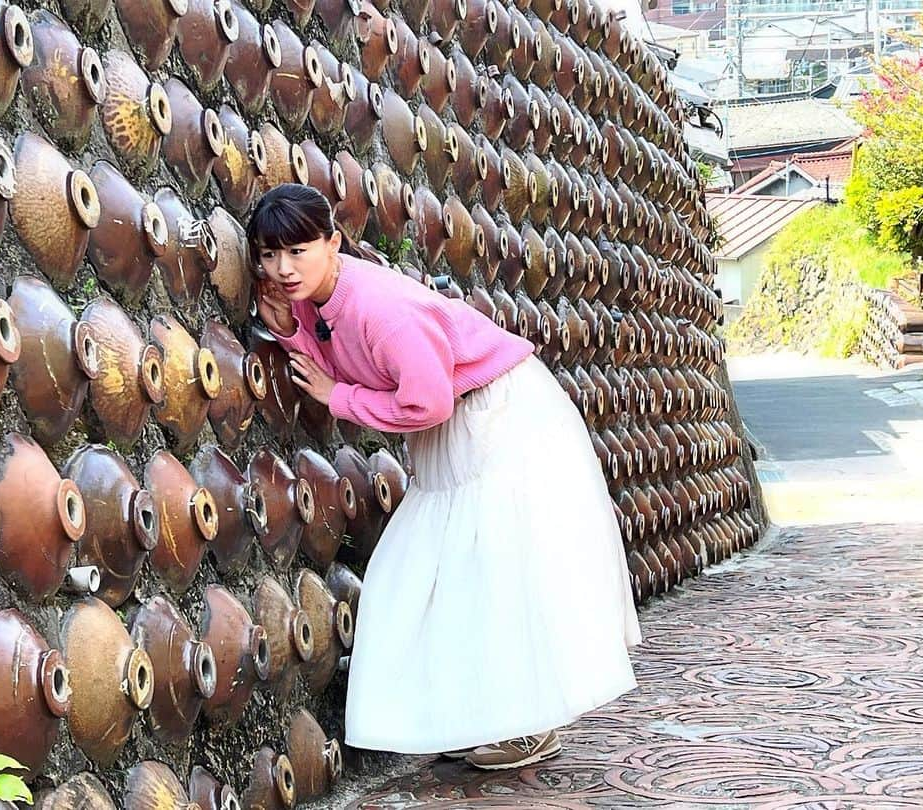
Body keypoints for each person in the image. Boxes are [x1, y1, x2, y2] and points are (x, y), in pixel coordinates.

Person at [249, 183, 641, 771]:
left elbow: (424, 402)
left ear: (333, 243)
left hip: (497, 414)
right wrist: (288, 329)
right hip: (458, 421)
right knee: (444, 568)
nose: (281, 270)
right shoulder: (316, 292)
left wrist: (342, 399)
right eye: (268, 256)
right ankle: (490, 716)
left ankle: (526, 725)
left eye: (297, 252)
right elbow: (328, 357)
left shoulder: (384, 311)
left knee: (496, 566)